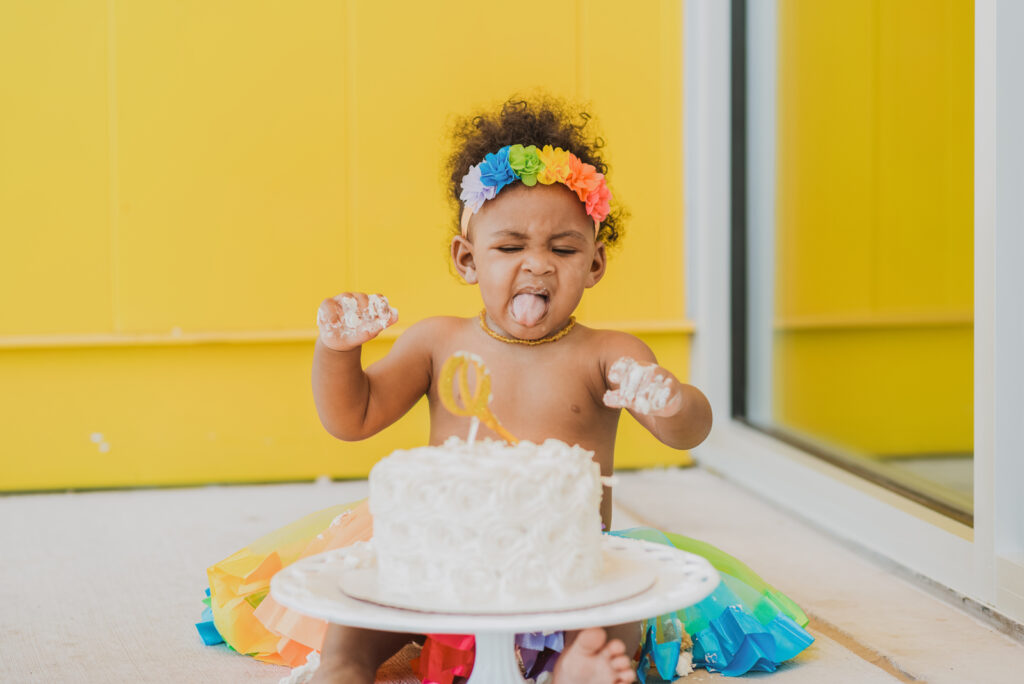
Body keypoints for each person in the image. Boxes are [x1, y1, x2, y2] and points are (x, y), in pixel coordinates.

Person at [201, 96, 813, 684]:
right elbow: (352, 417)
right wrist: (338, 349)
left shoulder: (609, 356)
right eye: (510, 246)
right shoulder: (436, 342)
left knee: (622, 607)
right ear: (467, 259)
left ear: (595, 264)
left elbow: (689, 431)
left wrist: (669, 400)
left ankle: (581, 668)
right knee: (362, 601)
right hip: (438, 562)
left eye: (564, 248)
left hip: (568, 566)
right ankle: (345, 666)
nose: (538, 264)